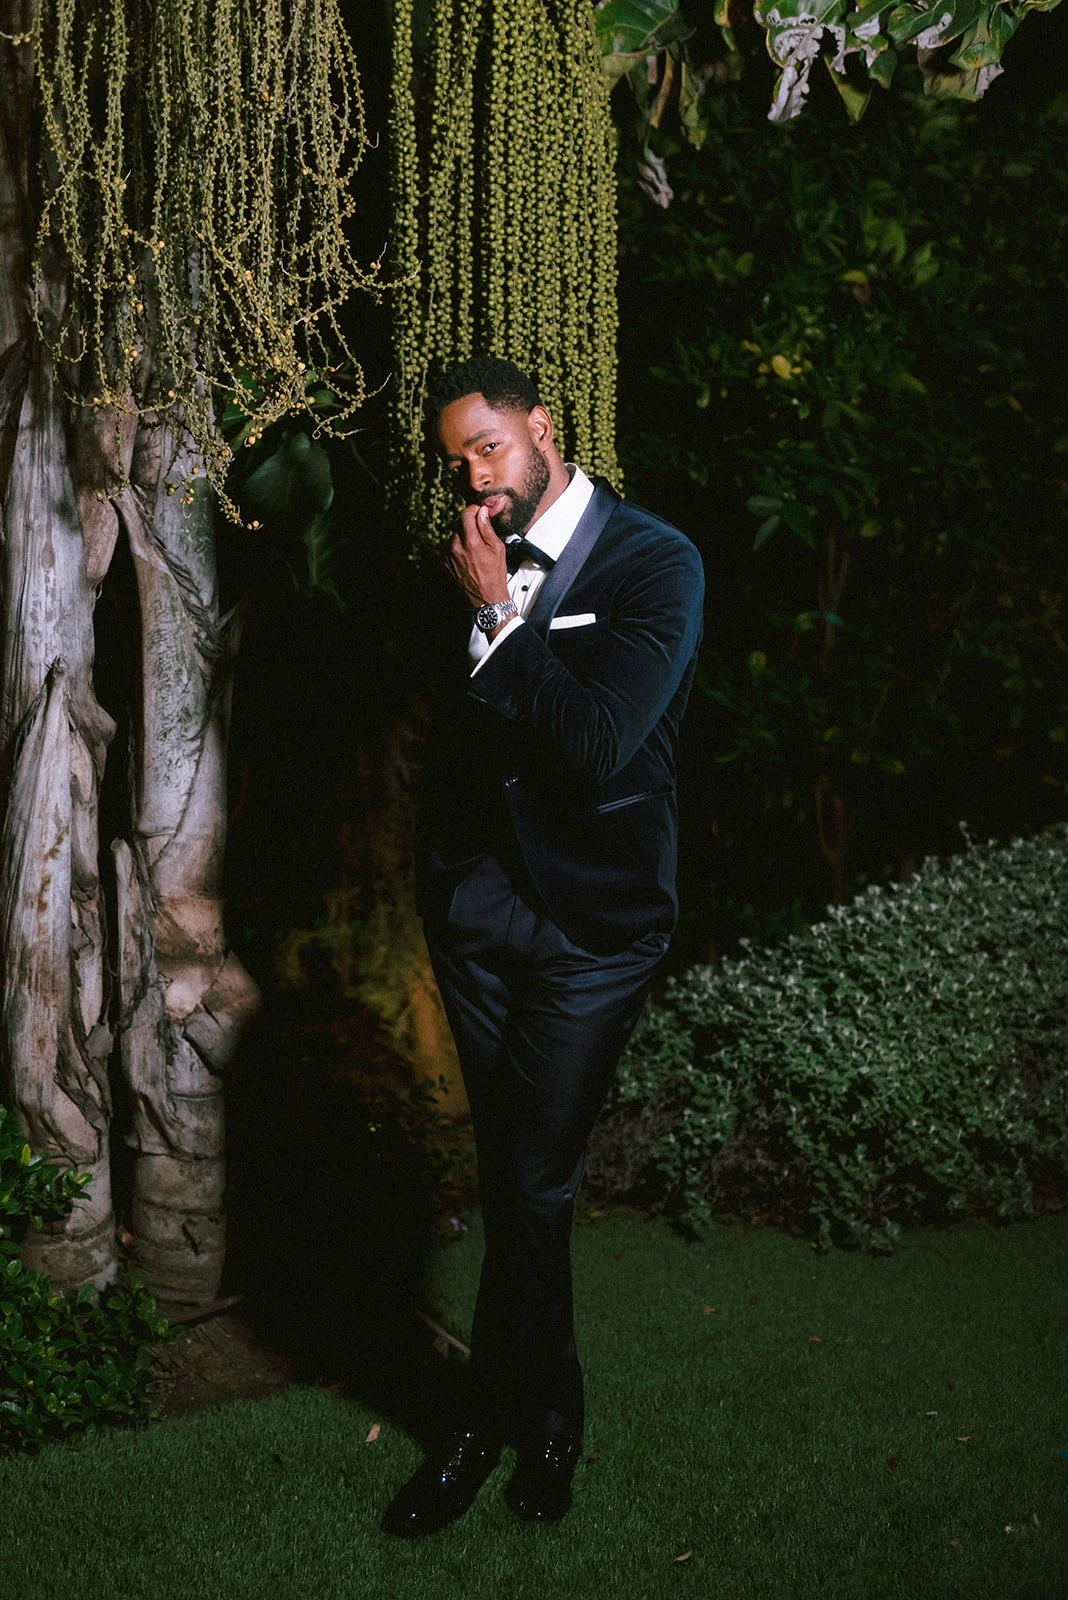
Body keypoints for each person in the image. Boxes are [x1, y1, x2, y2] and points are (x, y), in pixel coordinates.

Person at [382, 356, 704, 1537]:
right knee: (517, 1174)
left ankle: (495, 1422)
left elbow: (602, 742)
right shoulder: (465, 558)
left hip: (593, 927)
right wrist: (446, 884)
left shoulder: (656, 562)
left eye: (487, 446)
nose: (470, 474)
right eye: (454, 458)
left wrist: (497, 617)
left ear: (543, 429)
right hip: (477, 916)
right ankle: (543, 1411)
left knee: (531, 1173)